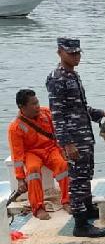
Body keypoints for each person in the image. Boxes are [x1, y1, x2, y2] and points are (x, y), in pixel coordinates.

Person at [46, 38, 105, 238]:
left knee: (86, 175)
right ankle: (80, 224)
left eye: (78, 53)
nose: (76, 56)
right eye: (71, 53)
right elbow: (58, 114)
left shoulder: (73, 76)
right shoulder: (57, 79)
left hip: (84, 136)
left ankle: (87, 210)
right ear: (60, 52)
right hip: (74, 139)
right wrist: (67, 143)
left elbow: (80, 108)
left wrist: (104, 114)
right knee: (78, 180)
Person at [8, 89, 70, 220]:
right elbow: (17, 155)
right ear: (22, 107)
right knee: (32, 170)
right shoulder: (15, 127)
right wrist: (20, 178)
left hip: (51, 148)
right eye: (33, 104)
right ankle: (38, 207)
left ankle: (67, 201)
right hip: (32, 153)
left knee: (63, 165)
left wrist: (63, 150)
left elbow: (58, 134)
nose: (37, 106)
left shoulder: (47, 113)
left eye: (37, 102)